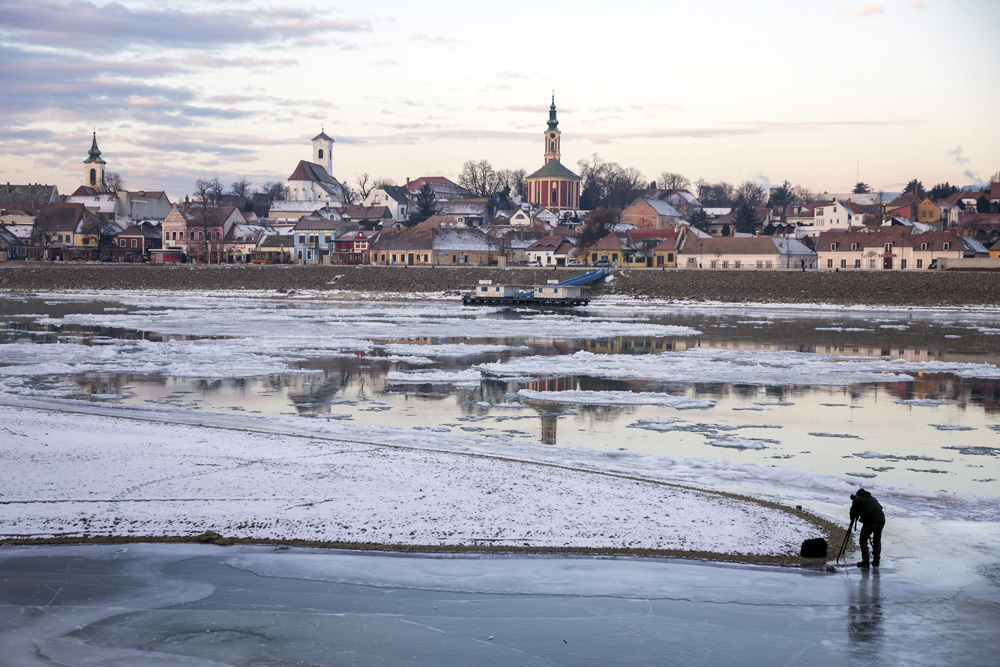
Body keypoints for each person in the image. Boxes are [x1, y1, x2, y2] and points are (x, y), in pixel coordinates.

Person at [850, 488, 885, 569]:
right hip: (881, 520)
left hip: (870, 521)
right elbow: (880, 507)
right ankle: (876, 561)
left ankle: (865, 562)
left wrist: (852, 519)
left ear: (858, 494)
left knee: (863, 540)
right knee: (877, 540)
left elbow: (852, 512)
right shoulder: (872, 498)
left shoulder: (858, 499)